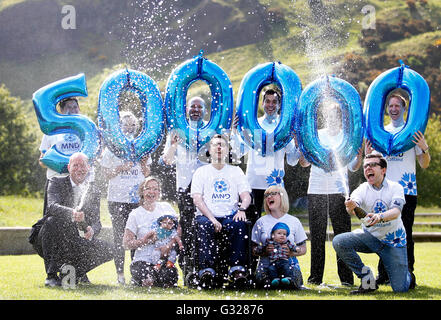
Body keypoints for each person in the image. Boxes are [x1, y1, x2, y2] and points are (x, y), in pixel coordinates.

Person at [365, 92, 430, 286]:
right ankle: (383, 274)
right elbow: (371, 166)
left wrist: (424, 148)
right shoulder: (379, 132)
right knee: (383, 233)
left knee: (405, 234)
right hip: (383, 192)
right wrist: (368, 155)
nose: (394, 109)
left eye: (397, 106)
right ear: (386, 109)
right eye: (390, 106)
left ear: (404, 109)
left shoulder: (413, 132)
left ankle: (408, 273)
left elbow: (425, 164)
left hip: (407, 191)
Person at [332, 153, 416, 294]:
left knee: (400, 289)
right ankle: (367, 279)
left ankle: (408, 275)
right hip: (370, 238)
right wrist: (350, 206)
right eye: (365, 166)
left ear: (383, 170)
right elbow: (352, 209)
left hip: (393, 241)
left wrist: (379, 217)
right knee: (339, 241)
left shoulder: (396, 187)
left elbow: (396, 212)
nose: (367, 168)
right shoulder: (361, 189)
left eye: (372, 165)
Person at [305, 102, 362, 286]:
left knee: (342, 236)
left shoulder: (347, 137)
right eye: (329, 115)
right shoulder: (315, 135)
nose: (332, 119)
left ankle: (346, 279)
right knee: (317, 236)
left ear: (341, 118)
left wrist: (359, 156)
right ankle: (315, 279)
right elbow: (304, 163)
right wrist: (302, 148)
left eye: (336, 115)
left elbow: (353, 167)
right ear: (325, 117)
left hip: (339, 191)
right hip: (316, 190)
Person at [230, 88, 308, 223]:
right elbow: (240, 152)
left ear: (279, 105)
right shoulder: (254, 124)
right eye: (267, 101)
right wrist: (234, 132)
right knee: (251, 225)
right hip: (253, 184)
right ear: (262, 104)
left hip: (275, 186)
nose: (270, 105)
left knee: (276, 225)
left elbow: (292, 161)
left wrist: (298, 142)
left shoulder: (285, 127)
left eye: (274, 102)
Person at [37, 152, 114, 287]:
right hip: (51, 236)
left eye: (83, 165)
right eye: (75, 165)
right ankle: (51, 275)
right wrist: (72, 213)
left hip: (76, 239)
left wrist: (92, 230)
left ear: (89, 167)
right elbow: (51, 207)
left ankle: (74, 273)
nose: (79, 169)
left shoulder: (93, 190)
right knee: (52, 221)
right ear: (69, 168)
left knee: (111, 249)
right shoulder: (55, 182)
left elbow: (97, 221)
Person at [191, 134, 252, 289]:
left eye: (222, 145)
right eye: (215, 145)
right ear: (209, 150)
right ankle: (207, 271)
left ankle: (237, 271)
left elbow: (246, 195)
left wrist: (242, 209)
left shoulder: (236, 171)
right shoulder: (201, 172)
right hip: (207, 216)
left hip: (230, 215)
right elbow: (197, 199)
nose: (219, 147)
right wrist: (212, 219)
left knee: (239, 223)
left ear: (227, 150)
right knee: (205, 225)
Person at [100, 111, 151, 285]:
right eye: (125, 125)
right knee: (120, 237)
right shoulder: (111, 149)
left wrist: (143, 163)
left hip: (136, 200)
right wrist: (121, 168)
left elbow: (146, 173)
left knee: (137, 236)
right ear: (119, 127)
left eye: (132, 126)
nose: (129, 128)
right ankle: (120, 274)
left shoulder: (142, 146)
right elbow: (106, 174)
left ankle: (136, 273)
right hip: (116, 199)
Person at [159, 96, 208, 281]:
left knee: (205, 227)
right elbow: (167, 160)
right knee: (187, 229)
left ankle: (206, 267)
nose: (196, 110)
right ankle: (188, 269)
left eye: (200, 107)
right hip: (184, 189)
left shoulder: (211, 130)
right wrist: (173, 145)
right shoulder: (177, 130)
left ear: (205, 110)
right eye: (192, 107)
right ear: (186, 109)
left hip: (205, 189)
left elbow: (226, 154)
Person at [123, 177, 182, 288]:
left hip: (162, 259)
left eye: (155, 189)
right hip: (143, 260)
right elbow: (126, 244)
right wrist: (144, 241)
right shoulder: (135, 214)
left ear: (159, 192)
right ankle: (147, 279)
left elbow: (178, 230)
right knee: (144, 274)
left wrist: (169, 246)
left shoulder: (166, 207)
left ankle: (156, 279)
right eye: (148, 189)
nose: (151, 192)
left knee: (169, 276)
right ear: (142, 192)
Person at [251, 185, 307, 289]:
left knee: (291, 283)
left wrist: (291, 252)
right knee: (265, 284)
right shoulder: (261, 221)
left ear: (283, 197)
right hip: (266, 267)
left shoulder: (294, 221)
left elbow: (303, 249)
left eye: (273, 194)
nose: (269, 197)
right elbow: (252, 249)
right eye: (267, 195)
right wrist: (264, 251)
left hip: (289, 266)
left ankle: (289, 281)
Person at [39, 97, 82, 217]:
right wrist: (62, 165)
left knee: (81, 218)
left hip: (80, 183)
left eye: (75, 107)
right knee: (52, 219)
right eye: (69, 107)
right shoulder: (52, 129)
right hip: (56, 181)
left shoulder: (85, 129)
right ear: (61, 111)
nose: (73, 110)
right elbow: (42, 160)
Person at [253, 222, 299, 288]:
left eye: (284, 234)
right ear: (273, 235)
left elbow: (293, 247)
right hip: (273, 262)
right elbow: (262, 247)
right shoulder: (269, 242)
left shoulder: (287, 243)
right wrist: (257, 249)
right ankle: (275, 280)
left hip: (284, 261)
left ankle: (288, 279)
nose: (282, 235)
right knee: (271, 269)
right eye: (279, 233)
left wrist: (296, 248)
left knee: (287, 268)